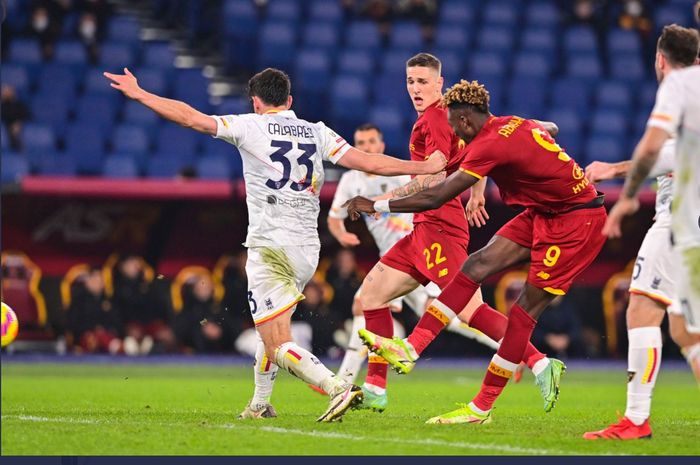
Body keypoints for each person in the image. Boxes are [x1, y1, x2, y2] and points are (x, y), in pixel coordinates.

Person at [104, 66, 445, 422]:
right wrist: (422, 167)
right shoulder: (316, 131)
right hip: (307, 250)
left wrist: (142, 94)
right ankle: (260, 404)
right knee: (270, 325)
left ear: (256, 102)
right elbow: (369, 163)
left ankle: (338, 388)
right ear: (290, 100)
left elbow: (192, 119)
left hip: (270, 247)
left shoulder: (249, 126)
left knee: (276, 340)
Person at [345, 79, 607, 424]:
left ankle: (486, 403)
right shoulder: (513, 123)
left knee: (521, 313)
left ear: (466, 120)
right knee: (475, 265)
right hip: (544, 211)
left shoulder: (487, 144)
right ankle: (407, 352)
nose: (455, 135)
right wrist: (540, 130)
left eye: (455, 127)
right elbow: (551, 127)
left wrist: (378, 205)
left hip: (576, 222)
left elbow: (436, 195)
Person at [328, 122, 499, 410]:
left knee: (464, 313)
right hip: (397, 259)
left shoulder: (400, 172)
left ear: (381, 145)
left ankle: (516, 352)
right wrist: (341, 233)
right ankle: (357, 382)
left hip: (425, 250)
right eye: (361, 142)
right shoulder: (350, 181)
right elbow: (335, 216)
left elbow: (443, 179)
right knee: (368, 303)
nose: (367, 147)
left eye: (372, 141)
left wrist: (377, 203)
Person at [596, 25, 700, 439]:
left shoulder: (679, 90)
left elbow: (661, 152)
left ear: (659, 59)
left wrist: (616, 179)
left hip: (680, 221)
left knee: (641, 308)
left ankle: (636, 419)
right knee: (684, 329)